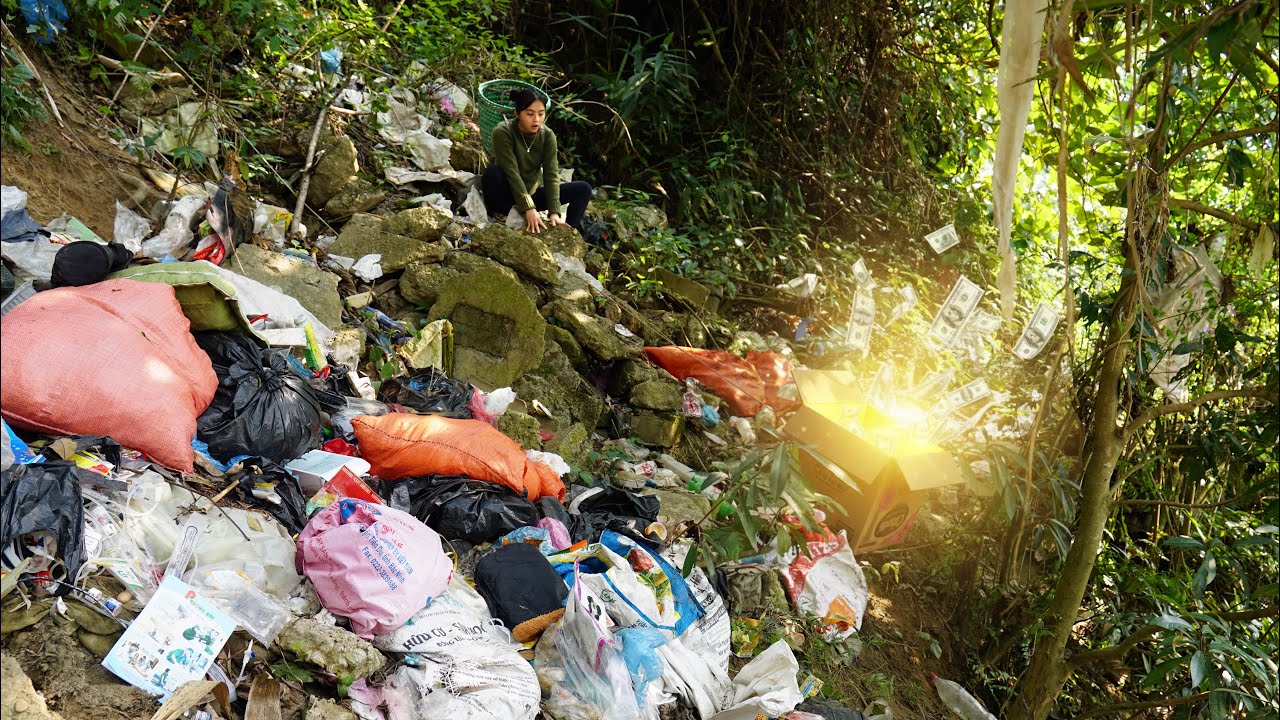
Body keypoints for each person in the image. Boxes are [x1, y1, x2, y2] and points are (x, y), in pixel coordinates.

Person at [482, 88, 592, 234]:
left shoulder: (547, 136)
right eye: (530, 114)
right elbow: (511, 172)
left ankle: (568, 233)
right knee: (492, 172)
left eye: (541, 114)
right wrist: (528, 208)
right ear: (517, 113)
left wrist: (554, 211)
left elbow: (551, 175)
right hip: (505, 196)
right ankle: (500, 215)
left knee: (583, 189)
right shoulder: (503, 132)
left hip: (531, 195)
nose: (536, 119)